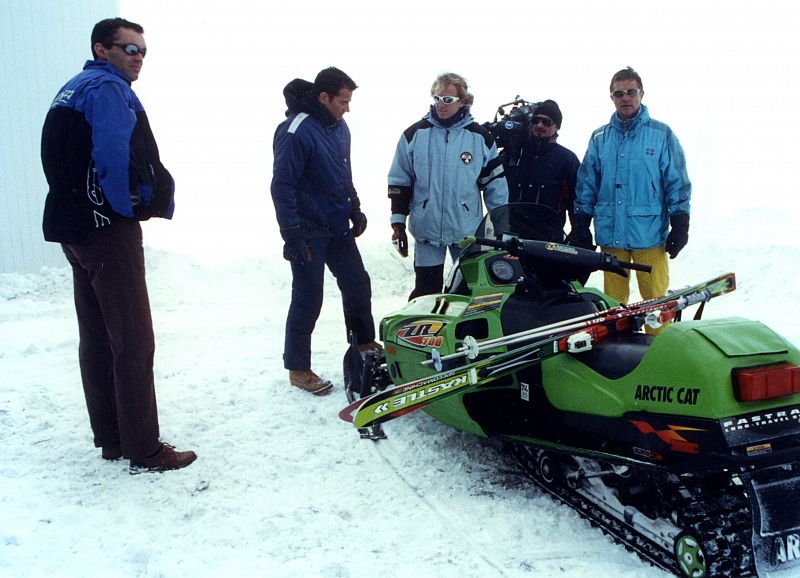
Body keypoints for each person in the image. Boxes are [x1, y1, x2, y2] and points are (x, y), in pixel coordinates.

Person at [40, 18, 196, 473]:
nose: (138, 58)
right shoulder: (107, 89)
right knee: (133, 341)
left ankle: (110, 437)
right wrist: (125, 210)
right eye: (129, 49)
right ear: (101, 48)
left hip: (75, 231)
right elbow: (111, 156)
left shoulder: (70, 90)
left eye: (143, 51)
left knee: (97, 338)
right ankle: (144, 448)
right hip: (108, 232)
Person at [271, 67, 380, 396]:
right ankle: (298, 368)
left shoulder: (339, 127)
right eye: (342, 102)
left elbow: (343, 171)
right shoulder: (295, 131)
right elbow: (282, 185)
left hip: (337, 226)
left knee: (357, 284)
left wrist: (355, 207)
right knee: (308, 297)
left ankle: (363, 344)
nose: (347, 108)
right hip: (307, 230)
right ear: (323, 97)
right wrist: (291, 233)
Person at [571, 67, 691, 305]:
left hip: (649, 235)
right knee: (613, 306)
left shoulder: (661, 134)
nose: (625, 97)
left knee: (656, 304)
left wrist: (680, 223)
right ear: (611, 98)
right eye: (618, 93)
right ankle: (616, 343)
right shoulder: (599, 138)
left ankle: (660, 342)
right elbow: (586, 185)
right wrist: (581, 223)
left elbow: (676, 182)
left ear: (641, 94)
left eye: (630, 91)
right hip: (611, 234)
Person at [388, 72, 508, 300]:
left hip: (466, 233)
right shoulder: (415, 135)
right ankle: (423, 333)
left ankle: (466, 335)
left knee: (466, 293)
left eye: (448, 100)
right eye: (437, 98)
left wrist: (500, 225)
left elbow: (495, 185)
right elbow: (399, 181)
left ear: (464, 101)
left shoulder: (480, 138)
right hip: (427, 229)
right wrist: (398, 223)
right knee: (426, 292)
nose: (441, 105)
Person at [503, 100, 580, 229]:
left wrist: (578, 231)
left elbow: (575, 199)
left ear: (556, 127)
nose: (539, 125)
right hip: (511, 234)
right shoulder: (514, 154)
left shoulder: (567, 159)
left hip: (548, 238)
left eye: (546, 122)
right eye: (536, 120)